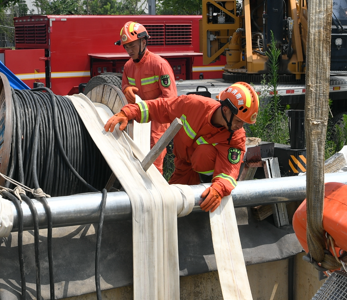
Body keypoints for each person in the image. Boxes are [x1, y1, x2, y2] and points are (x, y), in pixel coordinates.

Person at [104, 82, 259, 212]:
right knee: (169, 208)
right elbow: (161, 107)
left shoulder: (236, 135)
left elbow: (228, 171)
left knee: (204, 154)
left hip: (209, 177)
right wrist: (129, 112)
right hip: (183, 167)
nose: (241, 126)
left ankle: (203, 183)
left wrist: (219, 189)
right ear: (225, 110)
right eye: (239, 120)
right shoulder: (193, 105)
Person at [116, 21, 177, 172]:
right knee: (133, 158)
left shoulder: (159, 64)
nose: (129, 50)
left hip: (158, 120)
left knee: (154, 164)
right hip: (137, 119)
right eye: (126, 46)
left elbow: (170, 99)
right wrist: (127, 89)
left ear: (144, 42)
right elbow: (124, 87)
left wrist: (144, 108)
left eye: (132, 45)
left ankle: (156, 193)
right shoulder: (128, 67)